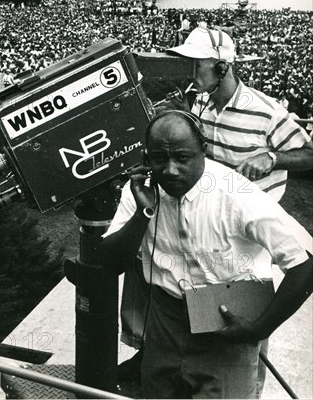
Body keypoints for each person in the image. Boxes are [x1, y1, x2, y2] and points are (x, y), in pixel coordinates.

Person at [101, 111, 313, 399]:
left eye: (182, 158)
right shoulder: (141, 190)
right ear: (146, 158)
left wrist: (260, 328)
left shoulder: (236, 194)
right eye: (159, 159)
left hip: (226, 320)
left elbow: (305, 263)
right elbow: (111, 264)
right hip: (166, 317)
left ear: (204, 151)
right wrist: (143, 213)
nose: (171, 170)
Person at [167, 26, 313, 202]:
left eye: (195, 65)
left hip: (255, 214)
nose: (189, 74)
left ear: (221, 67)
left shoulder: (266, 111)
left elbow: (309, 154)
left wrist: (271, 158)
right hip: (216, 209)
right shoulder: (199, 103)